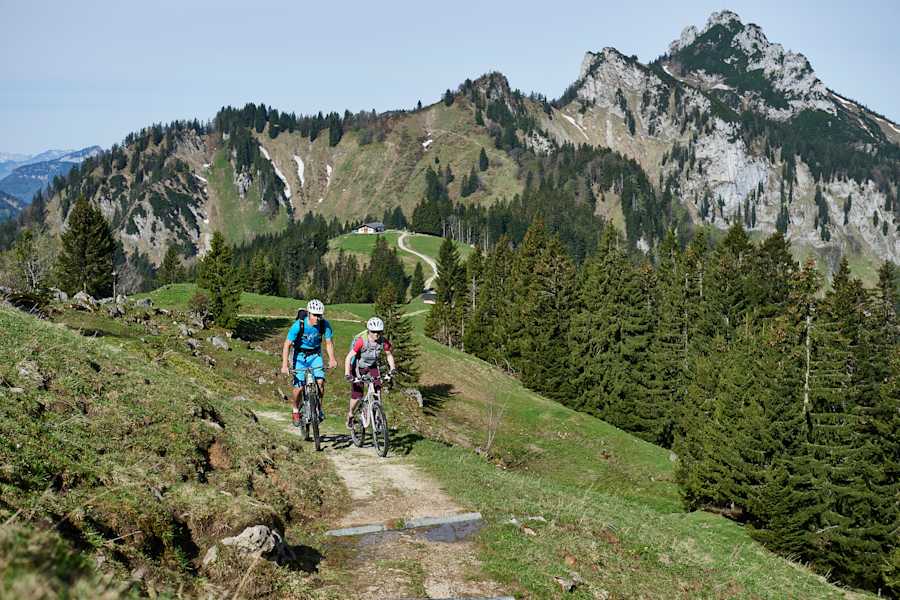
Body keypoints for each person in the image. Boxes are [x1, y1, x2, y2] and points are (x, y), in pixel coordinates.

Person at [281, 299, 338, 428]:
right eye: (314, 315)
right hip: (299, 356)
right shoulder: (298, 325)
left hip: (315, 355)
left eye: (320, 315)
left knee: (320, 382)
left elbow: (328, 343)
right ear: (308, 314)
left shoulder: (325, 325)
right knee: (299, 387)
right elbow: (287, 344)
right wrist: (285, 364)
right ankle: (295, 410)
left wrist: (332, 358)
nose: (317, 318)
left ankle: (318, 408)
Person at [344, 316, 396, 428]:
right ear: (369, 331)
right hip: (358, 367)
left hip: (372, 367)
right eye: (373, 332)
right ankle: (350, 414)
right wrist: (348, 374)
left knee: (378, 389)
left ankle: (378, 417)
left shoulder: (383, 341)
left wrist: (392, 369)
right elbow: (349, 357)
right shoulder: (361, 341)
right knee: (357, 396)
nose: (376, 334)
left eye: (379, 332)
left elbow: (389, 355)